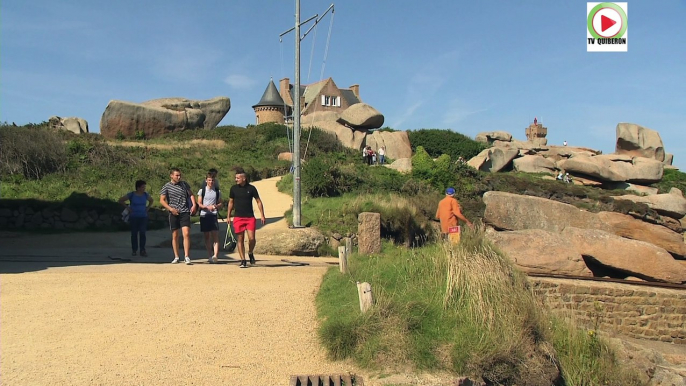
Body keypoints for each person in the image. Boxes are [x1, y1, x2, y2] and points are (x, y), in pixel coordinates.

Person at [227, 168, 266, 268]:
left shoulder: (252, 188)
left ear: (244, 178)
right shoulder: (233, 189)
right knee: (240, 239)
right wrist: (228, 216)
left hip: (249, 217)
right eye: (235, 178)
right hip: (238, 217)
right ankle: (243, 260)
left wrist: (262, 214)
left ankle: (250, 252)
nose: (236, 179)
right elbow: (231, 202)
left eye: (238, 178)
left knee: (252, 238)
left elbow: (258, 201)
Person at [160, 168, 197, 265]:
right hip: (173, 212)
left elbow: (191, 194)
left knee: (186, 233)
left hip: (184, 211)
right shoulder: (166, 186)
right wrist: (170, 209)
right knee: (175, 235)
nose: (179, 177)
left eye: (180, 175)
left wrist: (194, 204)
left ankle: (187, 256)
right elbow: (162, 200)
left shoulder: (184, 184)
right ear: (171, 176)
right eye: (177, 175)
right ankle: (176, 256)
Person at [118, 180, 153, 257]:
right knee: (134, 234)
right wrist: (128, 208)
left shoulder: (145, 195)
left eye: (144, 187)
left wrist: (147, 208)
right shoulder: (132, 195)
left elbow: (151, 200)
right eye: (142, 187)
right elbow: (121, 200)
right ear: (138, 187)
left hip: (143, 216)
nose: (144, 188)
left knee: (142, 233)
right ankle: (134, 249)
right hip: (134, 216)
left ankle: (142, 250)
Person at [198, 173, 222, 264]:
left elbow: (220, 203)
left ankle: (215, 255)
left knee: (215, 235)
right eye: (209, 180)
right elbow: (199, 203)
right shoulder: (202, 191)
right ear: (206, 181)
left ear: (214, 181)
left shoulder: (217, 191)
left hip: (213, 215)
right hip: (204, 215)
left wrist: (215, 206)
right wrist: (206, 207)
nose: (211, 182)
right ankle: (209, 255)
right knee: (207, 236)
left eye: (212, 180)